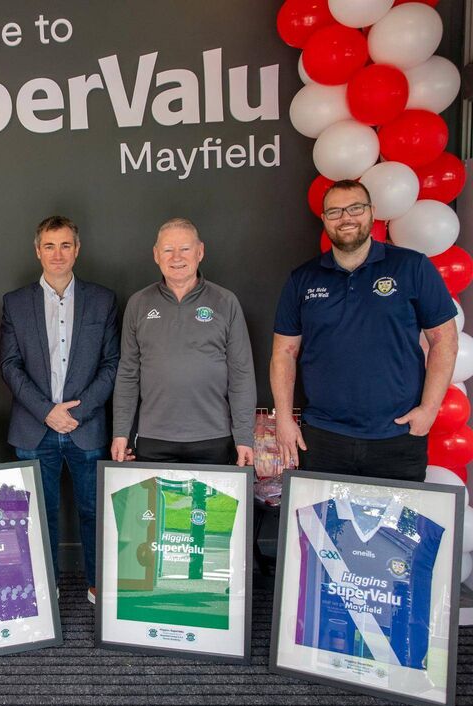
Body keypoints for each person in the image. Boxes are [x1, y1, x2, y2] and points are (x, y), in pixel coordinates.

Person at [271, 179, 458, 481]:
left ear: (371, 212)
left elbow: (444, 340)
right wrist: (283, 419)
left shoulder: (412, 267)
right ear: (324, 220)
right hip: (323, 437)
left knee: (396, 528)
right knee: (323, 527)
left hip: (397, 435)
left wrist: (429, 409)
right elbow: (284, 352)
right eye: (335, 212)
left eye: (355, 208)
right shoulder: (302, 279)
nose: (345, 218)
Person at [0, 216, 119, 603]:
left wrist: (76, 414)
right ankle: (43, 586)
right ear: (37, 251)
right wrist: (47, 411)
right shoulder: (15, 303)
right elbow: (10, 366)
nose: (57, 254)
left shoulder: (103, 299)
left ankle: (97, 584)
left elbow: (113, 365)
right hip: (35, 428)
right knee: (38, 515)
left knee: (94, 512)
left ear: (77, 249)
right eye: (49, 246)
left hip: (86, 427)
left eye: (65, 245)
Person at [111, 218, 256, 466]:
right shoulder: (138, 303)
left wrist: (244, 436)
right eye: (168, 250)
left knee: (210, 506)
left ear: (200, 251)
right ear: (156, 255)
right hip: (153, 438)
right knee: (156, 506)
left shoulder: (225, 301)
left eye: (185, 249)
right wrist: (121, 432)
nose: (176, 257)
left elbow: (241, 373)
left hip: (214, 437)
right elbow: (127, 374)